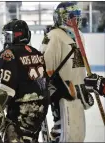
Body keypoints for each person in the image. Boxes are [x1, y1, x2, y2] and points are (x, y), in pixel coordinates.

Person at [0, 19, 49, 143]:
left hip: (21, 110)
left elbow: (7, 89)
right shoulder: (36, 53)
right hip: (40, 108)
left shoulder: (8, 54)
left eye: (7, 35)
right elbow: (45, 82)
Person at [40, 2, 94, 142]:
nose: (74, 20)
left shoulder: (79, 35)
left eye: (76, 16)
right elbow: (46, 67)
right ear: (60, 18)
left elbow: (79, 64)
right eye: (71, 17)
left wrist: (84, 86)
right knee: (64, 132)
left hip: (78, 90)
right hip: (63, 91)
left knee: (77, 134)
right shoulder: (54, 35)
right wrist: (57, 89)